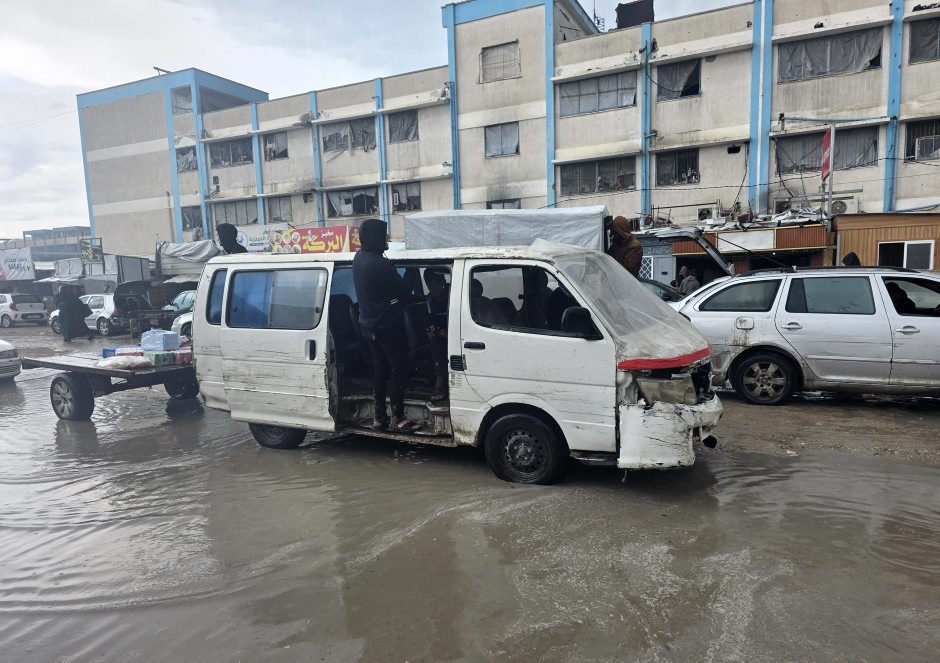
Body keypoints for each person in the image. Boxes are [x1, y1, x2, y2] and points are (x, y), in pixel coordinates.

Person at [353, 218, 421, 432]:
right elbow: (404, 290)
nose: (387, 240)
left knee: (380, 369)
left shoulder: (358, 258)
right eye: (384, 236)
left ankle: (379, 417)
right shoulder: (381, 265)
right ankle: (399, 418)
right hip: (386, 327)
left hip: (367, 325)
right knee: (400, 367)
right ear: (375, 237)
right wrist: (411, 272)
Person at [423, 268, 450, 403]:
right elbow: (429, 321)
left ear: (443, 281)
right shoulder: (429, 300)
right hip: (439, 335)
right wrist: (434, 331)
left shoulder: (455, 293)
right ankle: (440, 384)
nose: (432, 288)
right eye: (429, 284)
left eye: (434, 283)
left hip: (458, 331)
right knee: (436, 342)